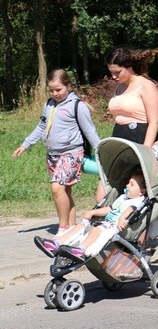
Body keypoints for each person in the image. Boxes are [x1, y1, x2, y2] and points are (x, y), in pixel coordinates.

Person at [13, 69, 101, 236]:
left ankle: (62, 228)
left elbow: (90, 132)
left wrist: (102, 152)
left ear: (68, 86)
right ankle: (73, 229)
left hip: (71, 153)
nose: (55, 93)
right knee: (65, 191)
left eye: (59, 89)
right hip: (53, 155)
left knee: (57, 188)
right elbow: (41, 127)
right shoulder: (49, 104)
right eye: (51, 90)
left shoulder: (77, 106)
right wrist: (26, 144)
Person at [34, 169, 146, 259]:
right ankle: (56, 244)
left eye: (132, 184)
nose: (127, 185)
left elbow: (132, 209)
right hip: (104, 223)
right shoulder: (123, 198)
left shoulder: (138, 200)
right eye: (128, 182)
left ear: (142, 191)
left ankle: (81, 250)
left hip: (113, 227)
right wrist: (93, 212)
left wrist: (123, 217)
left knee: (95, 230)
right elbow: (110, 209)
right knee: (80, 226)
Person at [106, 47, 158, 147]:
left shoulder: (146, 85)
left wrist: (146, 148)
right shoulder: (119, 87)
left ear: (129, 67)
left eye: (117, 72)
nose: (113, 76)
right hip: (119, 136)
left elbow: (154, 122)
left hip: (139, 136)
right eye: (111, 72)